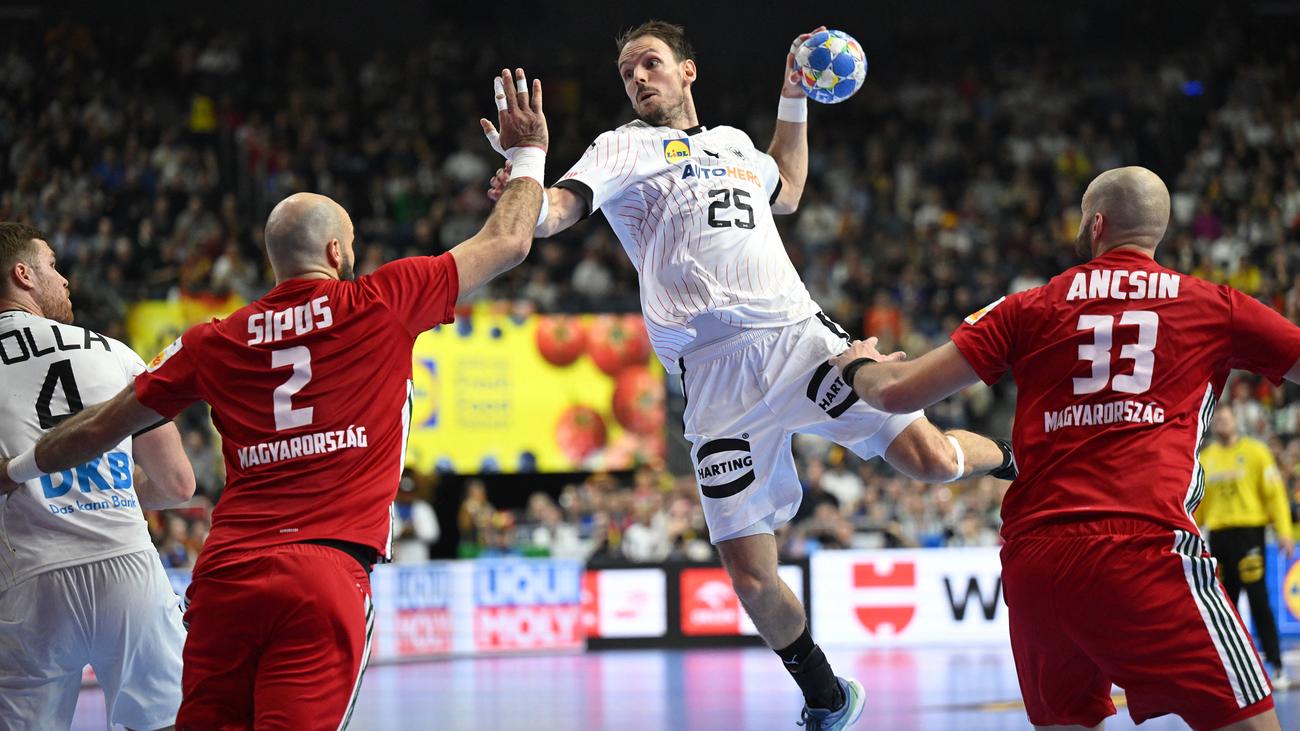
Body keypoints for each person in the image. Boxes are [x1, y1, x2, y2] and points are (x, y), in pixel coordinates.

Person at [481, 21, 1015, 729]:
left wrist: (793, 95)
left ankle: (1013, 458)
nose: (637, 77)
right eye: (627, 71)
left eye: (650, 63)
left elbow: (786, 187)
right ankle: (825, 694)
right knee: (751, 575)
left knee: (932, 461)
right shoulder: (620, 147)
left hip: (796, 341)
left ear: (688, 71)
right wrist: (524, 173)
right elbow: (553, 213)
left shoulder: (734, 144)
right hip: (712, 381)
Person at [0, 67, 548, 729]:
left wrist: (15, 469)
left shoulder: (213, 339)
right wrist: (528, 154)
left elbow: (99, 427)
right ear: (338, 251)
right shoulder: (382, 300)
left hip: (226, 577)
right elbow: (507, 240)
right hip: (325, 572)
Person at [831, 166, 1296, 731]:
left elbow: (896, 392)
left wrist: (857, 364)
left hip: (1037, 562)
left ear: (1096, 224)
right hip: (1145, 551)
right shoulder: (1214, 304)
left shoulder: (1028, 306)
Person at [0, 222, 195, 730]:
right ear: (23, 275)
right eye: (52, 265)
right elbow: (177, 483)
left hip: (27, 581)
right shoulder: (113, 351)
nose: (64, 278)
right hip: (127, 571)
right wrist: (106, 487)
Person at [1197, 408, 1294, 687]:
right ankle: (1229, 672)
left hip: (1250, 535)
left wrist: (1284, 531)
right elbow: (1198, 503)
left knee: (1258, 599)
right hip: (1218, 537)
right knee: (1224, 606)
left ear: (1235, 420)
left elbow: (1275, 495)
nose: (1221, 422)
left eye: (1225, 418)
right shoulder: (1205, 458)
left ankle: (1276, 666)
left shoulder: (1256, 452)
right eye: (1217, 419)